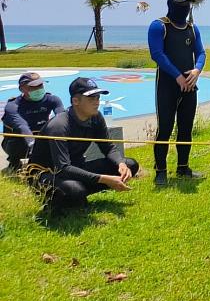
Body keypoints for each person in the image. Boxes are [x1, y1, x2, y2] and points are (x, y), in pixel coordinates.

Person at [27, 77, 139, 214]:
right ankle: (60, 199)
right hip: (48, 173)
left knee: (130, 165)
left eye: (98, 97)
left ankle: (77, 195)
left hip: (75, 167)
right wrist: (103, 179)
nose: (96, 102)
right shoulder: (59, 126)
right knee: (75, 190)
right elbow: (63, 168)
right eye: (91, 98)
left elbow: (108, 147)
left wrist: (121, 164)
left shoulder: (96, 117)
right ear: (75, 101)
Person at [147, 0, 206, 186]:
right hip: (167, 85)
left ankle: (183, 167)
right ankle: (160, 170)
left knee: (186, 128)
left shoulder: (192, 28)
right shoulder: (159, 26)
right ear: (171, 5)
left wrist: (196, 71)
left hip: (189, 85)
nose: (185, 8)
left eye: (188, 4)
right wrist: (177, 76)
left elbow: (201, 53)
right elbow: (157, 54)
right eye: (181, 5)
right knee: (165, 128)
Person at [2, 72, 64, 174]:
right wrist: (32, 144)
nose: (38, 89)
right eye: (33, 87)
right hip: (19, 141)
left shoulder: (53, 99)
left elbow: (61, 118)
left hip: (41, 136)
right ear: (22, 89)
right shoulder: (13, 106)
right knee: (19, 138)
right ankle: (14, 164)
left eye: (40, 85)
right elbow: (22, 126)